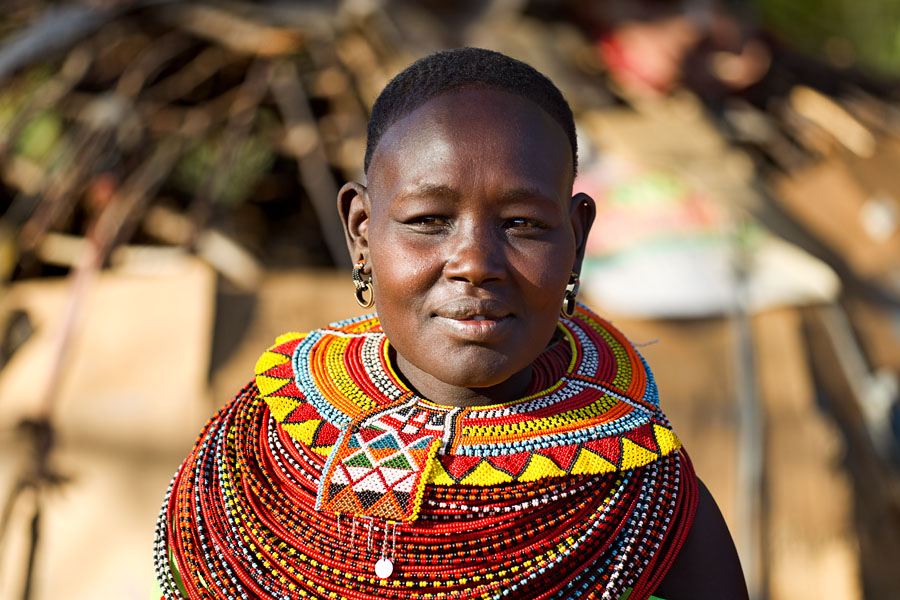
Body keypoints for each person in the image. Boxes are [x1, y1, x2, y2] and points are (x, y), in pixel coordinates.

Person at [154, 47, 747, 600]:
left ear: (577, 240)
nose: (475, 265)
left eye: (522, 224)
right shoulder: (247, 451)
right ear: (362, 231)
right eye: (429, 220)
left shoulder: (647, 499)